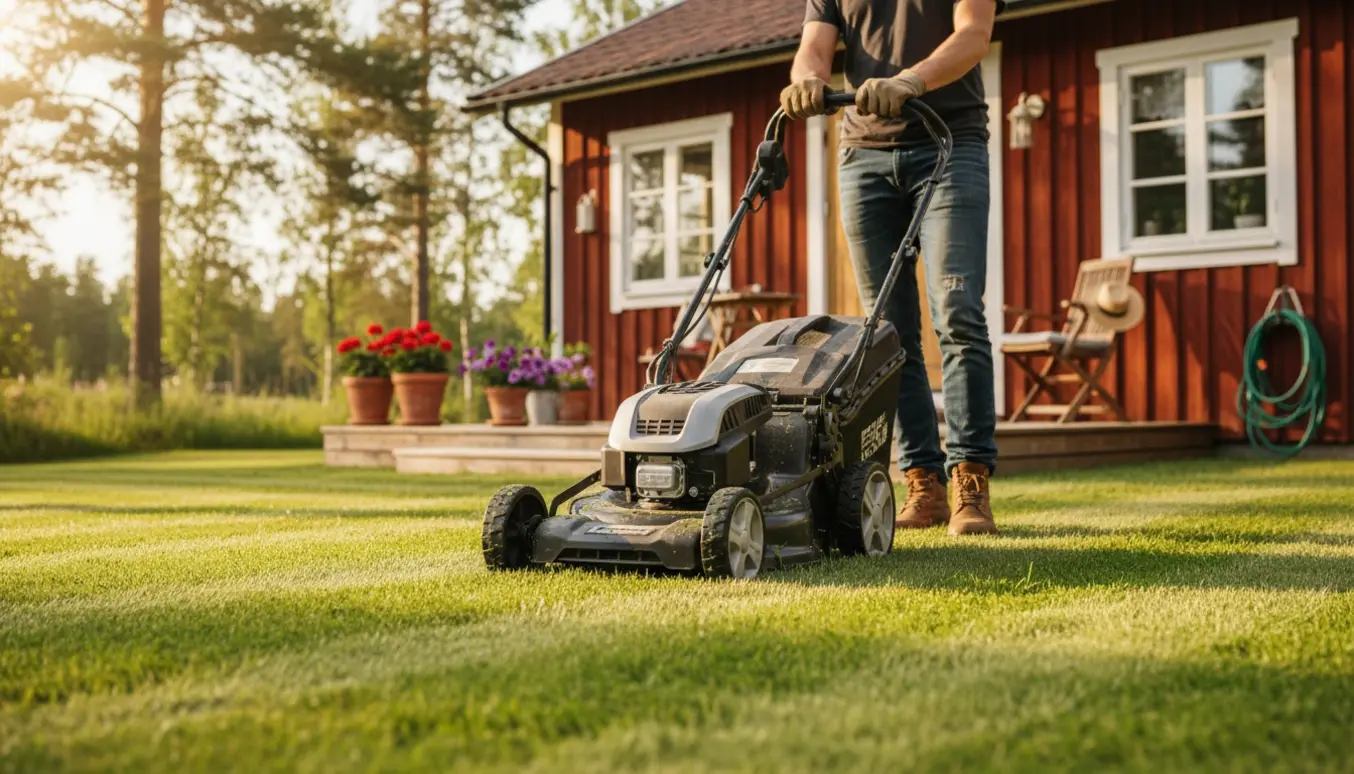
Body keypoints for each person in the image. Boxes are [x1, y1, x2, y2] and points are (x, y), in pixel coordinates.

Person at [781, 0, 1004, 536]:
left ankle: (969, 479)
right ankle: (921, 481)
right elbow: (813, 48)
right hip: (865, 158)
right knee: (888, 333)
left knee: (956, 312)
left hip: (950, 146)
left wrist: (910, 80)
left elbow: (973, 36)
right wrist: (807, 80)